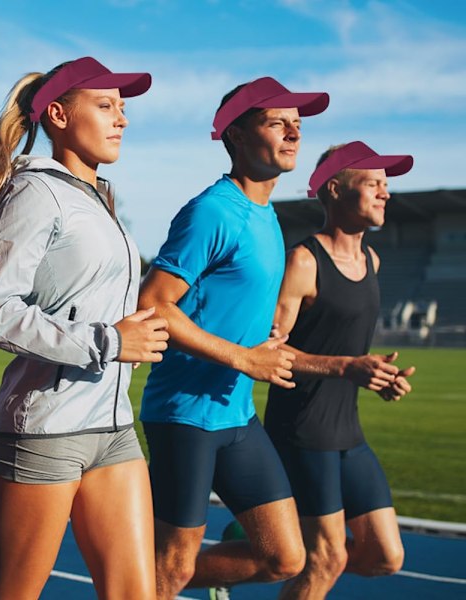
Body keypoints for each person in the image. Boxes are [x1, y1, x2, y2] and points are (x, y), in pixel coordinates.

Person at [0, 56, 168, 600]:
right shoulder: (36, 192)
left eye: (123, 109)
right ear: (57, 114)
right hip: (45, 430)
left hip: (113, 427)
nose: (121, 118)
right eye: (105, 106)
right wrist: (110, 340)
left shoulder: (101, 199)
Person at [137, 77, 330, 600]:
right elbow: (152, 303)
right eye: (277, 123)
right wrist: (244, 358)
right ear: (236, 135)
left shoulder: (267, 216)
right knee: (170, 568)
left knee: (284, 557)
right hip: (186, 414)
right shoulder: (214, 211)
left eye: (298, 124)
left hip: (237, 415)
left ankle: (131, 580)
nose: (293, 133)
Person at [264, 141, 416, 599]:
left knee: (384, 556)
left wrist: (379, 377)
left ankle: (255, 550)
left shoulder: (372, 260)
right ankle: (262, 553)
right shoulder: (304, 261)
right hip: (302, 430)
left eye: (386, 186)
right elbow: (268, 354)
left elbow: (349, 350)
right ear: (334, 190)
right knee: (328, 558)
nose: (385, 194)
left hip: (348, 430)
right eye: (373, 184)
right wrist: (346, 367)